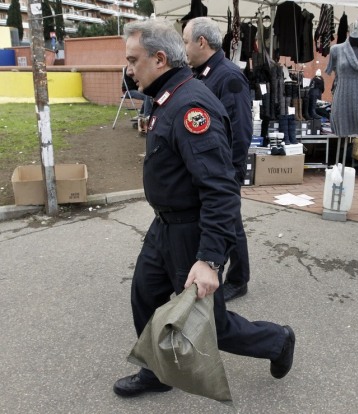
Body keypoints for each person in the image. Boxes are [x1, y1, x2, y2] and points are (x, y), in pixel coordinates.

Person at [113, 19, 295, 398]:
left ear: (159, 59)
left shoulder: (190, 106)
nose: (128, 69)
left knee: (213, 324)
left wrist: (210, 260)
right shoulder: (167, 94)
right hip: (165, 225)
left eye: (133, 60)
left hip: (191, 230)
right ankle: (157, 371)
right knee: (145, 294)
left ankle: (277, 341)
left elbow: (221, 188)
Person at [183, 17, 253, 301]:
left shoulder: (229, 77)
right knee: (224, 223)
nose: (183, 47)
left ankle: (238, 280)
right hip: (209, 169)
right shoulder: (203, 74)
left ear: (202, 42)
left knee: (230, 225)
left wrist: (231, 173)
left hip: (224, 171)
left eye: (186, 41)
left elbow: (241, 131)